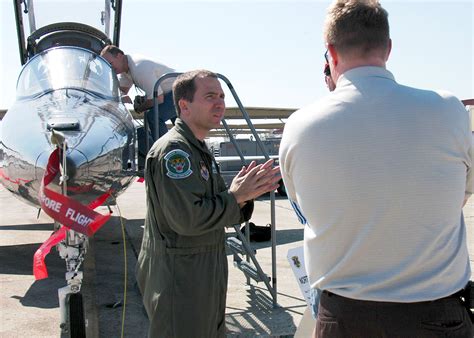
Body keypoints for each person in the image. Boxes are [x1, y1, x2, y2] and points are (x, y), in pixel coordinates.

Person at [279, 1, 473, 337]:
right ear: (388, 48)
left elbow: (304, 205)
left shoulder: (300, 126)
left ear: (331, 53)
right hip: (435, 315)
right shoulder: (448, 109)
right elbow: (463, 190)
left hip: (344, 317)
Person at [136, 69, 281, 337]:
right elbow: (189, 219)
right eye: (210, 96)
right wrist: (236, 196)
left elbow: (214, 209)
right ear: (184, 106)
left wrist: (243, 195)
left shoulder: (197, 150)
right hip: (181, 280)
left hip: (201, 275)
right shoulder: (175, 153)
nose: (220, 103)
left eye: (222, 97)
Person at [100, 45, 177, 156]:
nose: (110, 69)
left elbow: (158, 99)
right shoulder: (126, 70)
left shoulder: (139, 68)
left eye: (111, 64)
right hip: (174, 93)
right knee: (183, 128)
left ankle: (165, 153)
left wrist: (140, 108)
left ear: (119, 56)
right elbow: (122, 91)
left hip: (180, 92)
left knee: (154, 116)